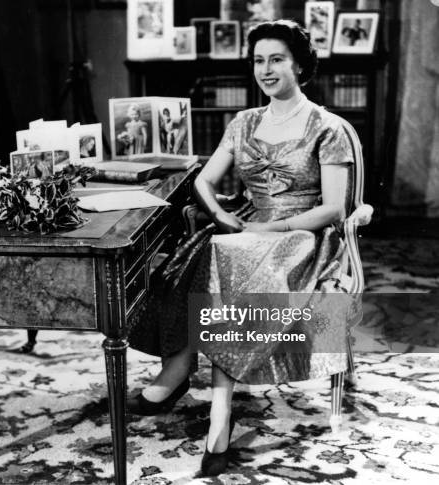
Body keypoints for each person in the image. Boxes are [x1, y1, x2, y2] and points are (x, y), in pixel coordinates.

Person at [127, 19, 356, 477]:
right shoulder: (244, 122)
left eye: (276, 59)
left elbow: (333, 208)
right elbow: (205, 182)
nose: (265, 70)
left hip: (301, 238)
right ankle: (181, 370)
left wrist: (275, 229)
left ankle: (218, 415)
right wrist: (220, 215)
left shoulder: (327, 128)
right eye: (258, 61)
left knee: (231, 258)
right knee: (202, 251)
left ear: (299, 66)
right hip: (247, 231)